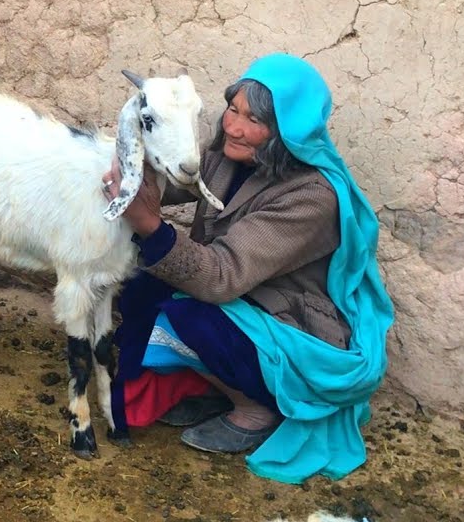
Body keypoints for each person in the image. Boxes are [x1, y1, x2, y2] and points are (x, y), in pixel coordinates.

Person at [102, 53, 394, 484]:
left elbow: (222, 277)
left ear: (288, 130)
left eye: (253, 119)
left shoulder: (311, 196)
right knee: (138, 287)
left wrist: (149, 225)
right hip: (240, 298)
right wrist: (128, 161)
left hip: (288, 322)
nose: (234, 127)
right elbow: (166, 186)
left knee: (190, 315)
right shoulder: (227, 157)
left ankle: (256, 408)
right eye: (232, 110)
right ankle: (215, 386)